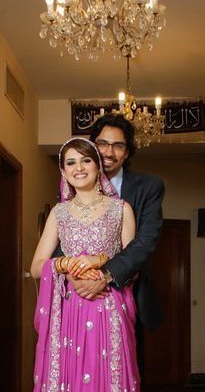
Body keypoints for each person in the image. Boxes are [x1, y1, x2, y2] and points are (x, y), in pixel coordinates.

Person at [18, 137, 151, 392]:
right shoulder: (59, 213)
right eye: (70, 162)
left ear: (99, 165)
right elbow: (37, 265)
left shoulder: (121, 209)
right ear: (63, 172)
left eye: (85, 160)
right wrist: (64, 264)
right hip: (70, 316)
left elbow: (132, 265)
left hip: (108, 313)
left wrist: (101, 262)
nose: (78, 168)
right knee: (70, 391)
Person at [67, 113, 165, 334]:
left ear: (127, 152)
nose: (109, 152)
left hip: (128, 291)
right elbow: (63, 238)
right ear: (92, 146)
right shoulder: (75, 182)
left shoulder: (149, 187)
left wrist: (106, 275)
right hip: (79, 293)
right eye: (102, 144)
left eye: (118, 146)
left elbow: (146, 241)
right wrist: (70, 275)